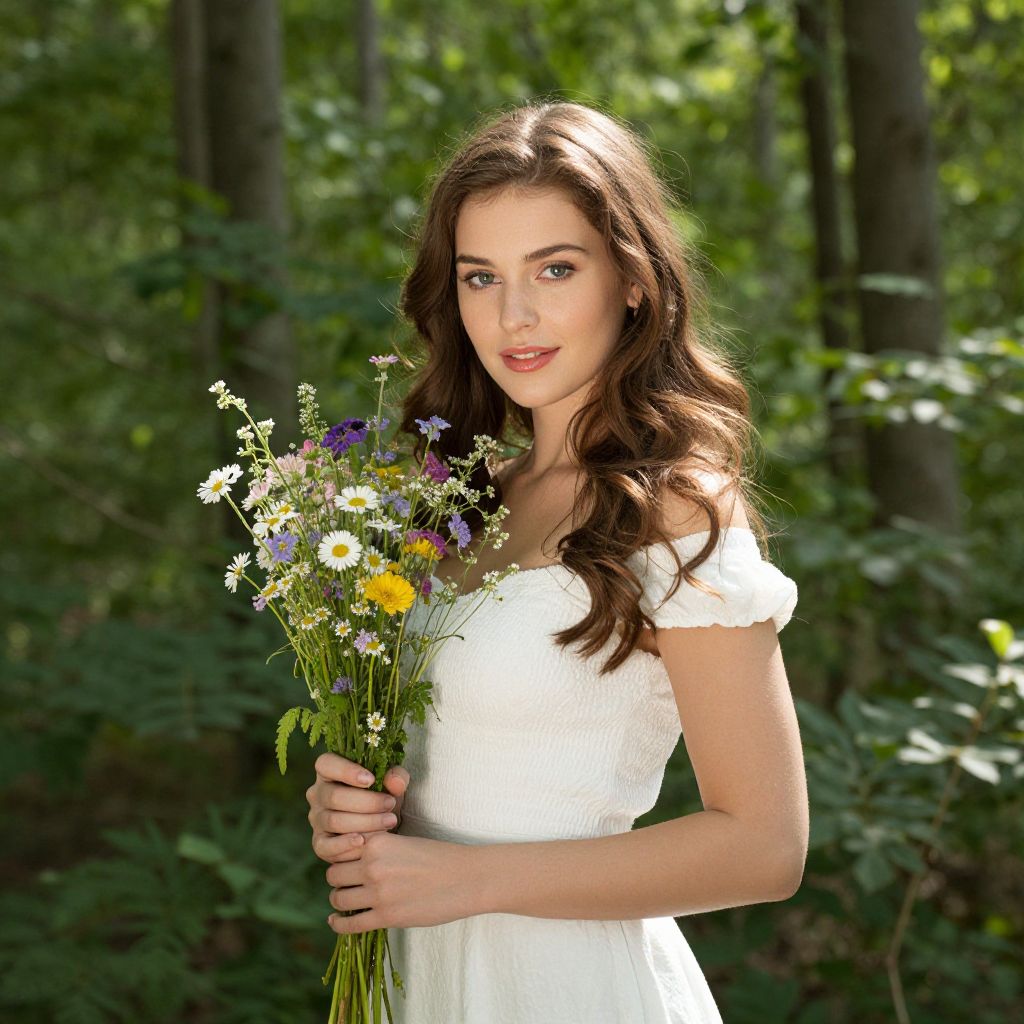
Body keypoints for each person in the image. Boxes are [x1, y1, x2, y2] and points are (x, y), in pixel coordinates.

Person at [305, 99, 808, 1023]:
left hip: (571, 987)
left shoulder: (676, 508)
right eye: (481, 277)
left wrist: (470, 880)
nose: (516, 315)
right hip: (419, 979)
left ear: (633, 280)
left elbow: (766, 848)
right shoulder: (457, 505)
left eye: (556, 268)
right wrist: (356, 811)